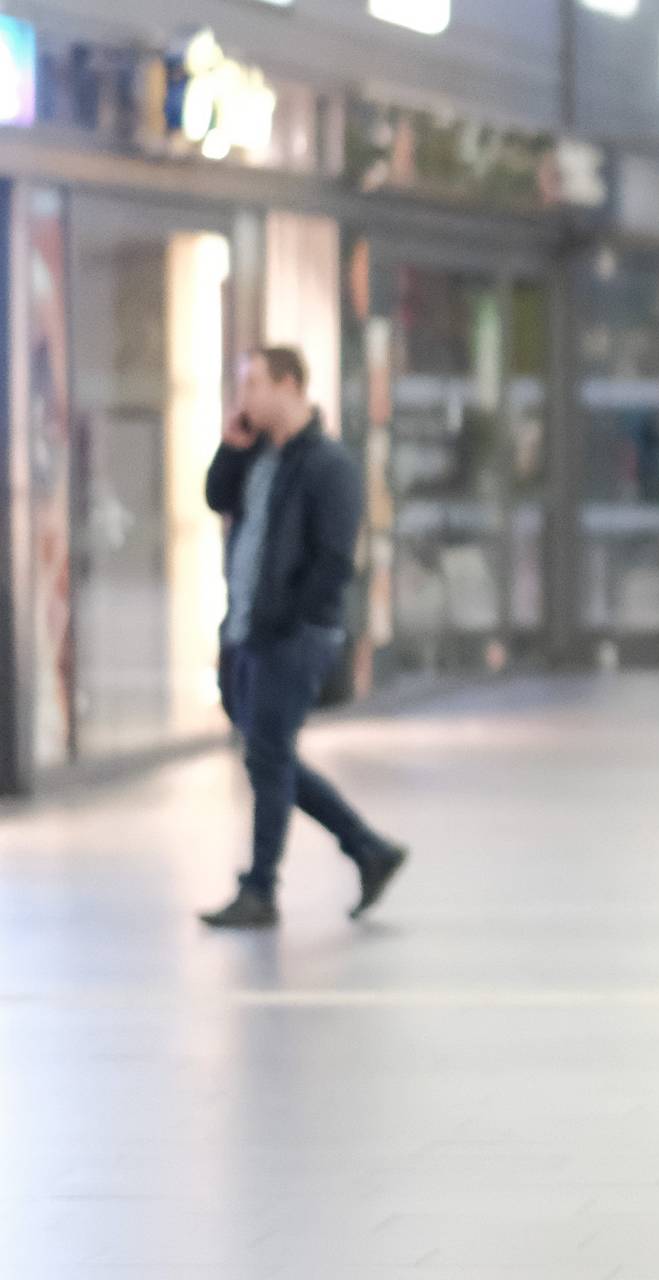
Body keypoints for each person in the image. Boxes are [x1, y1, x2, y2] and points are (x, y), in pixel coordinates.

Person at [198, 346, 411, 930]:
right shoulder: (260, 457)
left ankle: (261, 889)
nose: (244, 399)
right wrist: (230, 446)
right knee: (271, 757)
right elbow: (216, 497)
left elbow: (335, 559)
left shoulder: (328, 465)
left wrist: (290, 618)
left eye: (253, 385)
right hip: (246, 630)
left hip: (292, 636)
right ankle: (369, 849)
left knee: (268, 757)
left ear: (290, 385)